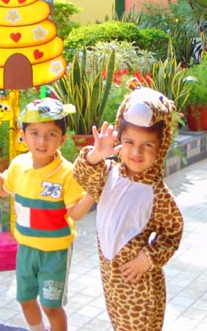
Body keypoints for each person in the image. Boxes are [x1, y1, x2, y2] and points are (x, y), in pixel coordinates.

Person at [72, 80, 184, 331]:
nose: (136, 152)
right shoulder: (107, 173)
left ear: (161, 147)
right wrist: (97, 154)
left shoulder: (157, 193)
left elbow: (173, 232)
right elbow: (81, 175)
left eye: (148, 145)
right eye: (129, 142)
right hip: (111, 279)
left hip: (138, 284)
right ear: (120, 140)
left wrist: (148, 258)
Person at [0, 98, 94, 331]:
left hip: (55, 253)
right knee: (25, 299)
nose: (42, 141)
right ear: (23, 136)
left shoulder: (67, 173)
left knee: (51, 307)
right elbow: (1, 189)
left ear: (62, 139)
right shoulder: (19, 165)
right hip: (26, 249)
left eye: (51, 134)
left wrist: (92, 193)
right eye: (34, 133)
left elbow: (75, 213)